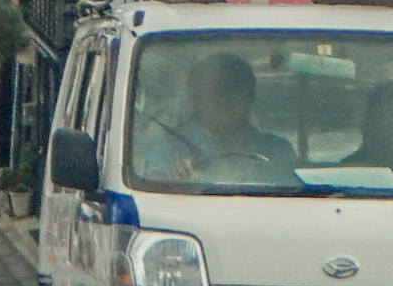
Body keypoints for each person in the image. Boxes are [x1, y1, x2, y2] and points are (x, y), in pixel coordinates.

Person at [126, 46, 300, 190]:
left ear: (250, 98)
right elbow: (147, 198)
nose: (226, 99)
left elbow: (296, 201)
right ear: (197, 97)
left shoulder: (276, 150)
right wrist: (173, 182)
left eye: (237, 89)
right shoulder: (169, 146)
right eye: (219, 90)